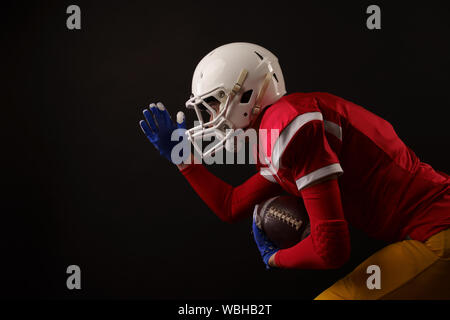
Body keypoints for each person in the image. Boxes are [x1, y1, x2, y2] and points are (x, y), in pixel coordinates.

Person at [139, 43, 450, 299]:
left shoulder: (289, 123)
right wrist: (183, 160)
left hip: (438, 230)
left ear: (246, 93)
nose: (208, 118)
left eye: (213, 104)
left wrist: (274, 258)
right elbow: (230, 206)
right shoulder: (275, 129)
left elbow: (332, 250)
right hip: (426, 231)